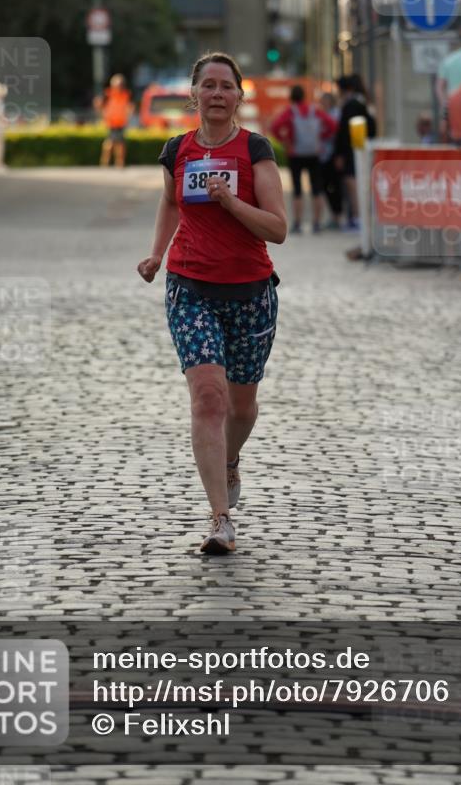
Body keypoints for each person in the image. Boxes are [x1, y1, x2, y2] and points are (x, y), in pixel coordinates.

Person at [137, 52, 287, 554]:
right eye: (209, 85)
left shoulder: (255, 150)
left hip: (250, 293)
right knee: (208, 397)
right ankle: (221, 520)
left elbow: (278, 228)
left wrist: (231, 201)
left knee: (241, 407)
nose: (218, 94)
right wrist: (157, 254)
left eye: (227, 86)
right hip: (190, 286)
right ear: (194, 94)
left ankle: (229, 460)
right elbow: (170, 201)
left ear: (239, 97)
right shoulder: (176, 150)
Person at [270, 85, 337, 234]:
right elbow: (332, 125)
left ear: (291, 97)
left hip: (296, 154)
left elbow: (274, 127)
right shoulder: (315, 110)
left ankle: (298, 223)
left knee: (298, 190)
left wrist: (285, 141)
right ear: (304, 96)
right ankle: (316, 223)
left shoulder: (290, 112)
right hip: (314, 153)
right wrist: (321, 138)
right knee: (317, 188)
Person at [334, 74, 376, 230]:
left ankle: (357, 217)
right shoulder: (363, 102)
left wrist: (340, 153)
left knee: (352, 183)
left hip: (351, 149)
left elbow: (344, 131)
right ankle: (358, 216)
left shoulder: (350, 105)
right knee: (358, 182)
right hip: (360, 147)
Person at [318, 90, 344, 229]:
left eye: (323, 100)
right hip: (323, 155)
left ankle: (338, 216)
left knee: (335, 187)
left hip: (332, 154)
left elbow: (336, 133)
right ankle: (334, 215)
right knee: (326, 187)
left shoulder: (335, 114)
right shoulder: (324, 114)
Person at [96, 74, 131, 167]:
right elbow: (99, 104)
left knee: (120, 144)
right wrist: (103, 115)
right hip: (111, 122)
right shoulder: (107, 94)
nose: (118, 87)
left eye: (120, 85)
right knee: (109, 143)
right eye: (116, 85)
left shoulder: (126, 94)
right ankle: (104, 162)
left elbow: (129, 106)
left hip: (121, 122)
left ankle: (120, 162)